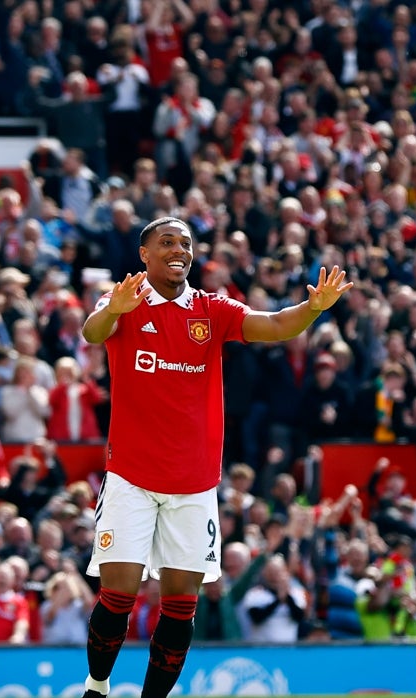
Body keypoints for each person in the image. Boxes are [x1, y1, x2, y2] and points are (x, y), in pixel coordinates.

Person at [78, 216, 352, 698]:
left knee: (181, 605)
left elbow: (273, 325)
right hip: (131, 476)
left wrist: (312, 309)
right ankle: (97, 686)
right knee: (117, 595)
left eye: (185, 242)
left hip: (195, 483)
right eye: (167, 242)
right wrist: (114, 309)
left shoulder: (212, 309)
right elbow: (93, 333)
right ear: (145, 254)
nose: (179, 249)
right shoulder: (124, 300)